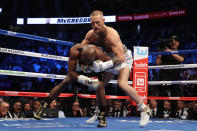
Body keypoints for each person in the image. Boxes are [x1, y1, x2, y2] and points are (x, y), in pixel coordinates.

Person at [81, 10, 150, 127]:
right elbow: (81, 48)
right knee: (99, 85)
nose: (95, 26)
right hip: (109, 58)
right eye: (92, 23)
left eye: (97, 22)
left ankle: (144, 109)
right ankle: (99, 112)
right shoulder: (91, 34)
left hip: (122, 58)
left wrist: (103, 65)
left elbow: (121, 57)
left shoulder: (112, 35)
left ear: (103, 21)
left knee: (122, 83)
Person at [34, 44, 111, 127]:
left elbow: (112, 66)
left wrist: (101, 75)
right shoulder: (75, 51)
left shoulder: (101, 55)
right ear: (81, 56)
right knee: (65, 82)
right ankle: (43, 107)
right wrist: (86, 81)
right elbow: (71, 72)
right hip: (78, 71)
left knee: (100, 86)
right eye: (85, 61)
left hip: (94, 71)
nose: (87, 64)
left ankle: (102, 116)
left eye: (89, 62)